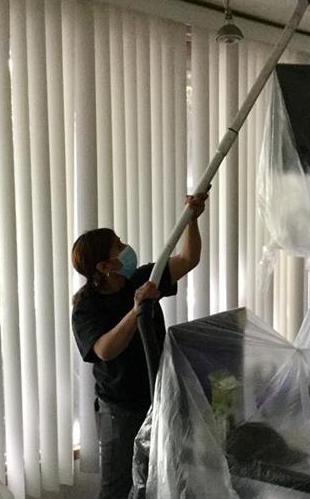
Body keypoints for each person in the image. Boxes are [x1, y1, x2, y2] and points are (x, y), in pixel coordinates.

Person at [71, 192, 208, 499]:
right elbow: (104, 350)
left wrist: (193, 220)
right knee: (118, 486)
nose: (126, 247)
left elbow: (188, 259)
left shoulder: (143, 277)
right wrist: (136, 311)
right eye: (118, 246)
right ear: (105, 266)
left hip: (158, 397)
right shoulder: (87, 307)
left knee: (157, 477)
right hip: (120, 410)